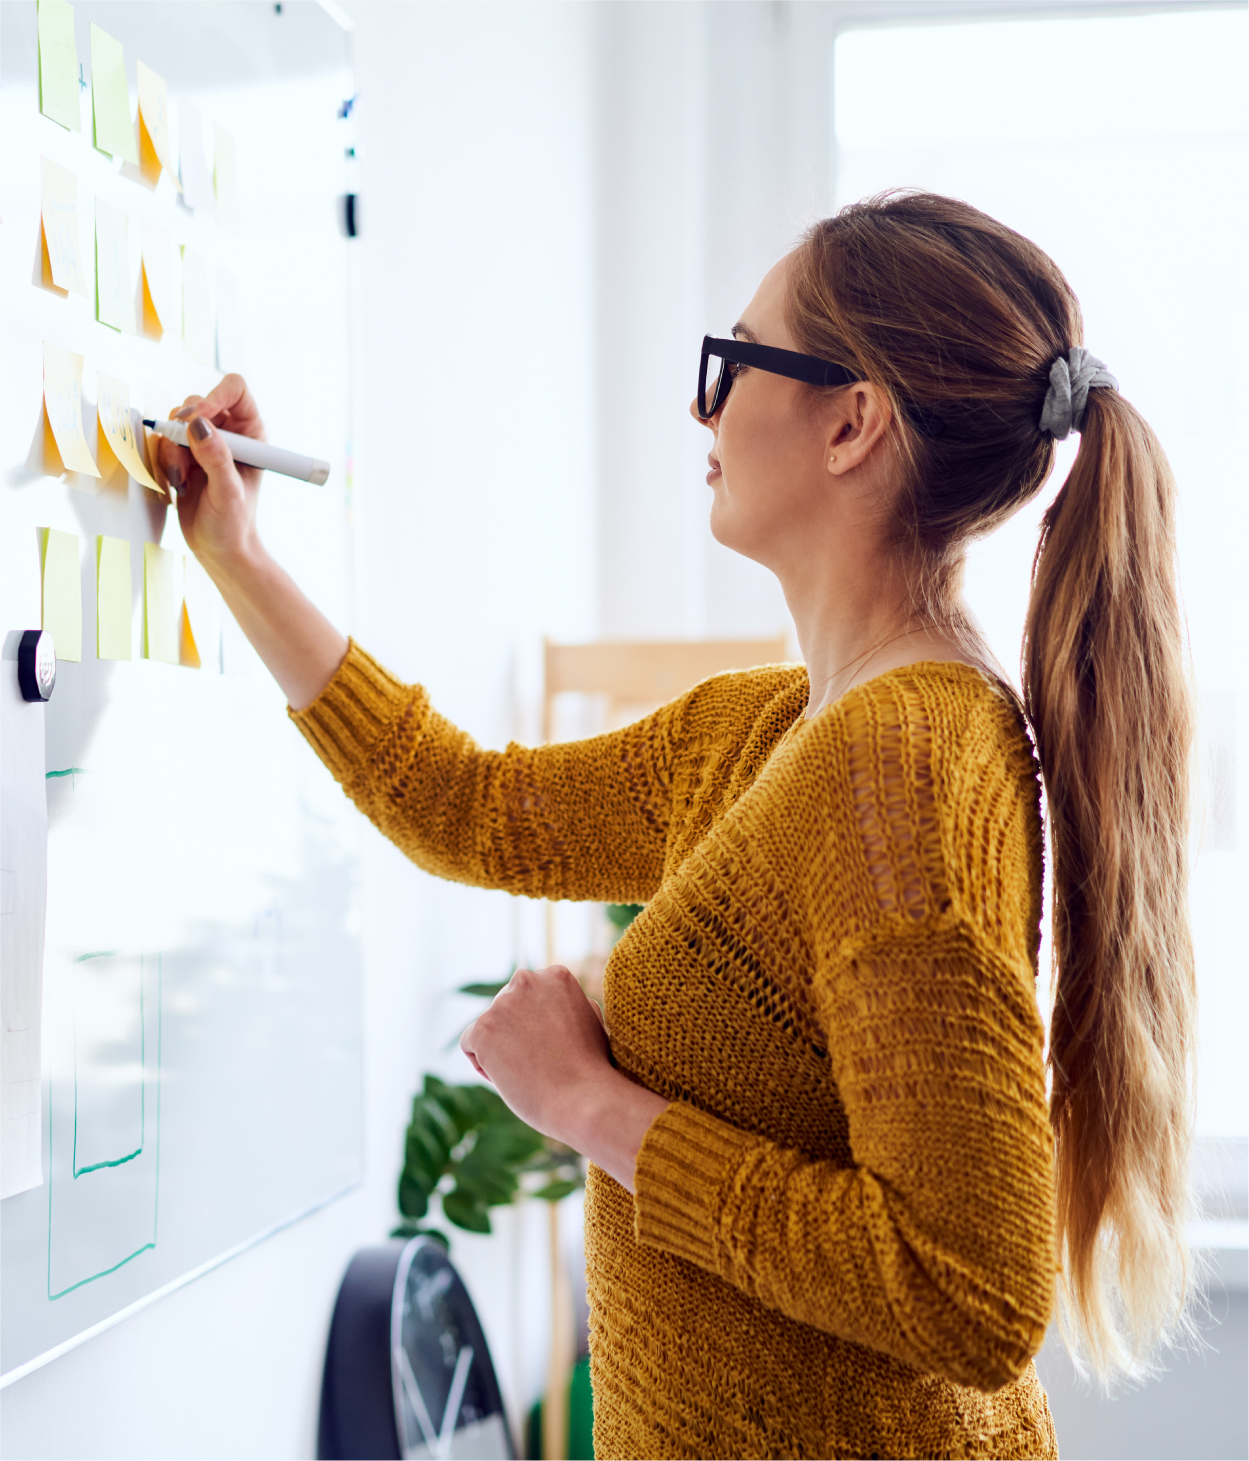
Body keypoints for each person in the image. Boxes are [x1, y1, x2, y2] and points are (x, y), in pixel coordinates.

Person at [157, 191, 1196, 1460]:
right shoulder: (774, 733)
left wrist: (591, 1105)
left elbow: (968, 1292)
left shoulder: (901, 768)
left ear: (851, 423)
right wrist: (240, 558)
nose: (702, 406)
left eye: (734, 362)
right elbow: (471, 806)